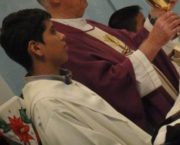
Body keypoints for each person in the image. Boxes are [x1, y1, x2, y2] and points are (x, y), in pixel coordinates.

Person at [29, 0, 180, 132]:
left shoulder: (87, 25)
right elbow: (111, 87)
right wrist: (154, 42)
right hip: (157, 125)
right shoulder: (65, 44)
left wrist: (155, 15)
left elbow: (132, 45)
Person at [0, 8, 152, 145]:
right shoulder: (48, 105)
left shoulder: (62, 82)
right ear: (36, 48)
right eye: (53, 31)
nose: (62, 36)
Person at [109, 5, 180, 69]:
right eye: (144, 23)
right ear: (132, 34)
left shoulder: (159, 39)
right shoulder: (142, 62)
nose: (149, 26)